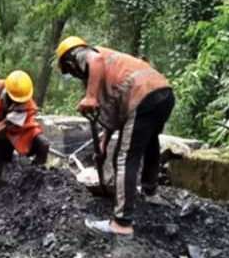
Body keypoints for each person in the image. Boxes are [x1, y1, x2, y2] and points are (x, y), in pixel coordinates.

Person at [56, 36, 175, 237]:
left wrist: (91, 96)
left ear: (70, 61)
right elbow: (115, 114)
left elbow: (95, 61)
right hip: (163, 93)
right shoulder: (114, 68)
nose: (75, 76)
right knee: (150, 143)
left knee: (125, 157)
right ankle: (150, 192)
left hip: (142, 95)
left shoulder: (84, 54)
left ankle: (121, 223)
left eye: (70, 71)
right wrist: (103, 141)